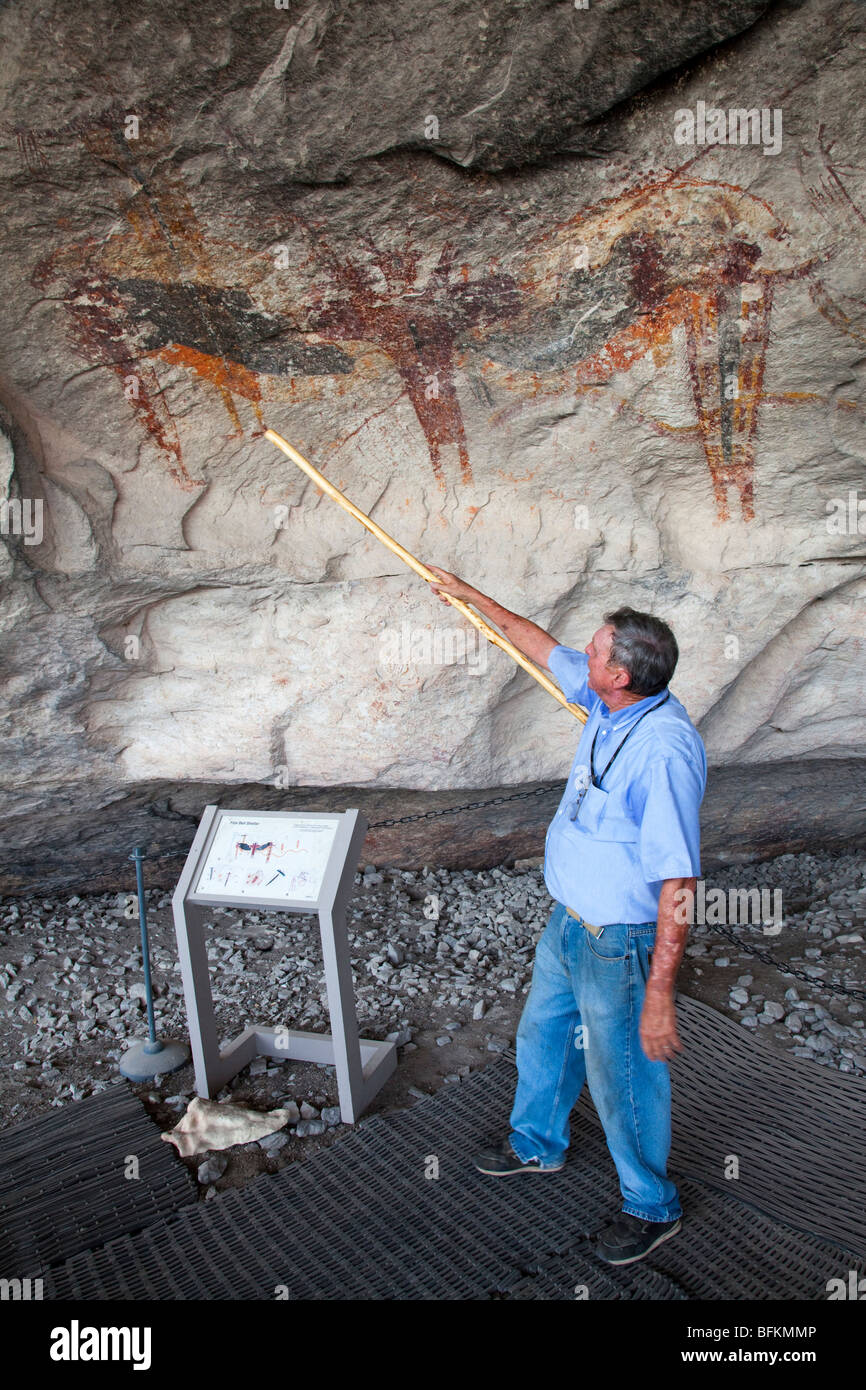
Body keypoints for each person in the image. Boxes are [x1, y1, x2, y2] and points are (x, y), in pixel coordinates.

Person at [426, 565, 706, 1266]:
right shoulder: (610, 696)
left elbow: (679, 878)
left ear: (619, 677)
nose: (583, 655)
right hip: (569, 920)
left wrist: (661, 997)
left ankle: (651, 1204)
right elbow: (535, 643)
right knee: (544, 1034)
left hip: (620, 939)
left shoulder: (664, 751)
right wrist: (470, 592)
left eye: (596, 650)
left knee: (624, 1074)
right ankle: (536, 1144)